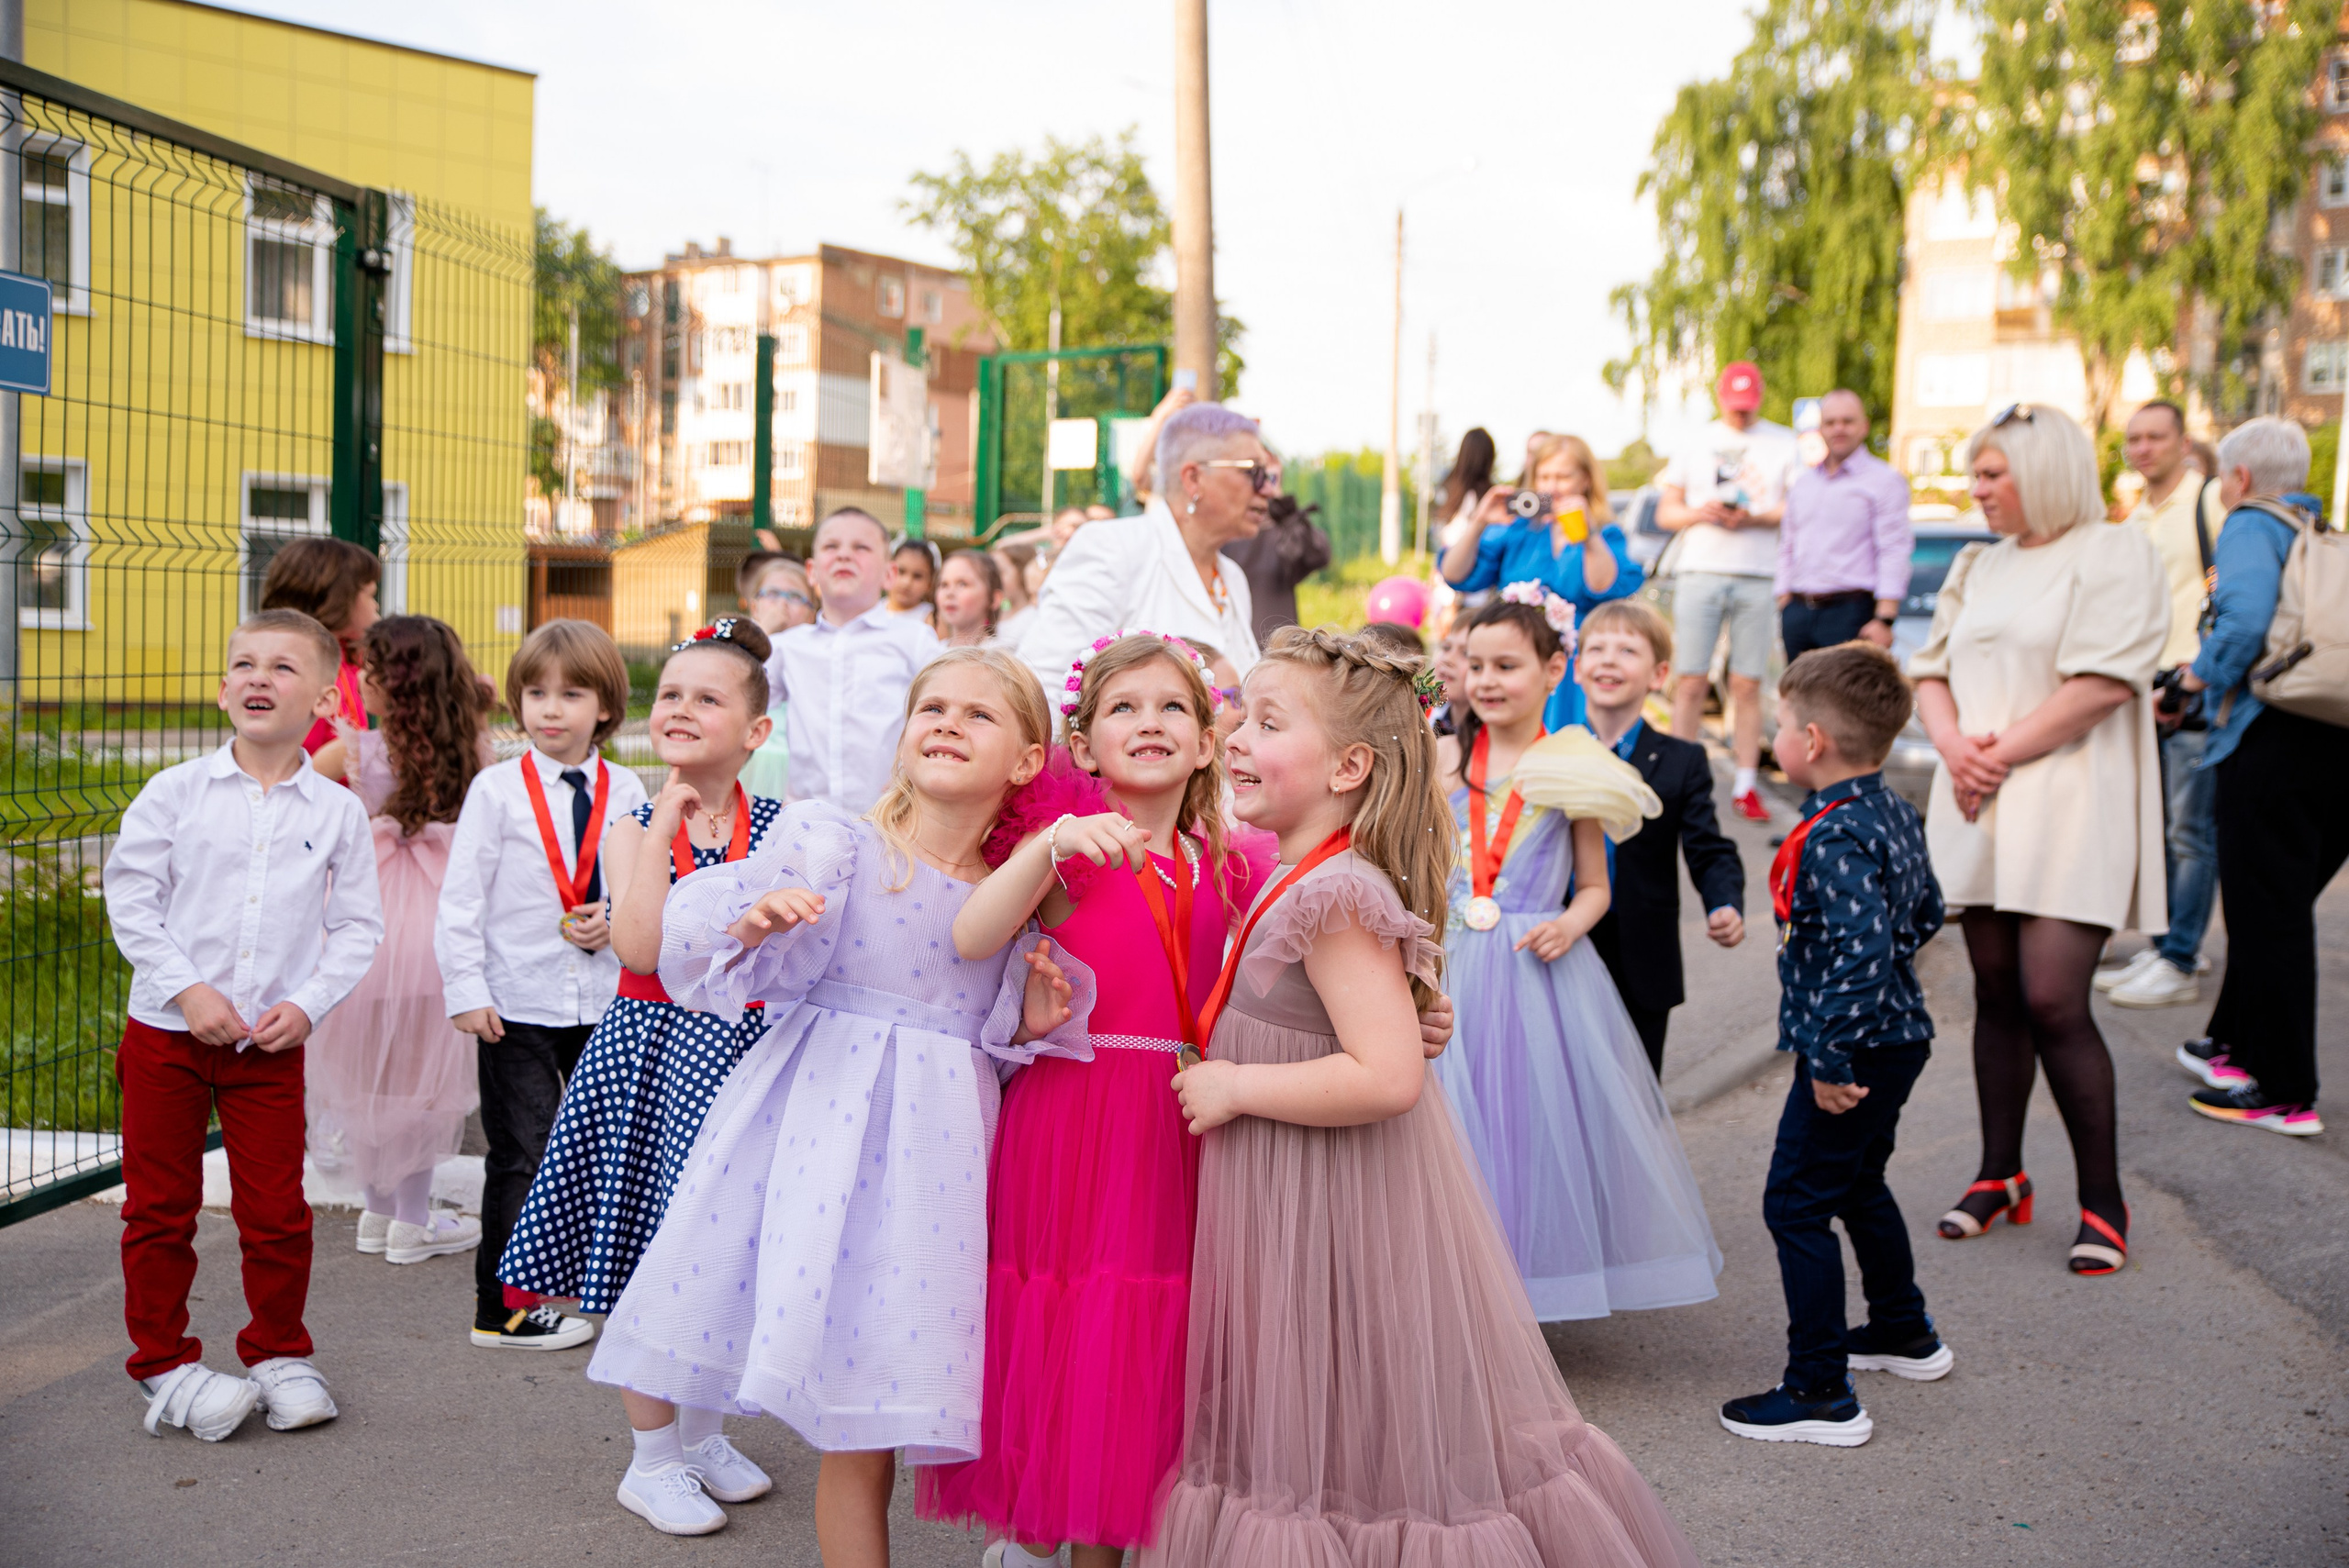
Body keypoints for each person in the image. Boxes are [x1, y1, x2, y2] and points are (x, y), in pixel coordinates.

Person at [1148, 627, 1699, 1568]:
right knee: (1323, 1397)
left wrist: (1236, 1080)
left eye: (1267, 721)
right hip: (1292, 1182)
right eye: (1240, 712)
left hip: (1326, 1186)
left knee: (1348, 1415)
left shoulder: (1336, 896)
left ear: (1350, 765)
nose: (1234, 734)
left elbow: (1387, 1075)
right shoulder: (1290, 866)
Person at [584, 651, 1090, 1561]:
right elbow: (700, 953)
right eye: (929, 705)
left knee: (881, 1398)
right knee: (848, 1434)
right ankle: (669, 1450)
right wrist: (755, 919)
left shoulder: (1018, 893)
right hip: (818, 1137)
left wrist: (1032, 1022)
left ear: (1025, 759)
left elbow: (994, 1044)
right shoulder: (840, 842)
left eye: (977, 714)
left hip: (936, 1169)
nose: (945, 721)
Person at [918, 633, 1276, 1567]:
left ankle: (1116, 1534)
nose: (1147, 721)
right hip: (1074, 1116)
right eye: (1122, 707)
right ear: (1080, 745)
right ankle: (1049, 1526)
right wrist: (1048, 842)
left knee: (1147, 1330)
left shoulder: (1231, 865)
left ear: (1207, 741)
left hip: (1181, 1115)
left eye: (1170, 707)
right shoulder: (1065, 855)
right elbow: (969, 934)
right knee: (1074, 1319)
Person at [497, 618, 786, 1535]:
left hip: (745, 1063)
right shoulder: (631, 825)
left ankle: (700, 1433)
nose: (682, 708)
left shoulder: (780, 825)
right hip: (654, 1062)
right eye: (670, 694)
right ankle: (651, 1457)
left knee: (723, 1255)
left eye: (710, 697)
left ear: (755, 732)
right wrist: (661, 827)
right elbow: (640, 947)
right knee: (655, 1256)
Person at [101, 608, 384, 1440]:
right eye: (245, 664)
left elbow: (359, 926)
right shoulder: (175, 792)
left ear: (327, 698)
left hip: (268, 1044)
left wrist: (308, 1003)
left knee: (277, 1210)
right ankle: (162, 1361)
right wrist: (187, 990)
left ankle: (276, 1350)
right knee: (162, 1206)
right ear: (223, 688)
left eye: (284, 667)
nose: (260, 677)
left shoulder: (335, 813)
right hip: (166, 1036)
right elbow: (132, 899)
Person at [1910, 404, 2167, 1276]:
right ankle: (2000, 1173)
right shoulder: (1979, 562)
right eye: (1975, 475)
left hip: (2067, 798)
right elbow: (1932, 668)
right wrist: (1952, 748)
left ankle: (2105, 1200)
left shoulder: (2112, 550)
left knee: (2055, 998)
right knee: (1995, 991)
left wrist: (1993, 756)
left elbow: (2104, 681)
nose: (1976, 489)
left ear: (2044, 471)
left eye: (1991, 474)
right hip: (1982, 793)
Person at [1431, 596, 1720, 1319]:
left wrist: (1569, 924)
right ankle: (1451, 1285)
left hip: (1535, 976)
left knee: (1524, 1129)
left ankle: (1520, 1292)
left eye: (1507, 665)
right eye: (1475, 665)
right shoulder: (1443, 758)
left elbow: (1594, 885)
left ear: (1553, 669)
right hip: (1453, 969)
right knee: (1449, 1130)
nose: (1488, 680)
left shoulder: (1573, 764)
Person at [1719, 643, 1950, 1448]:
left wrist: (1831, 1058)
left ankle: (1819, 1387)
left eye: (1781, 723)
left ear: (1810, 741)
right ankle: (1902, 1329)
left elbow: (1861, 951)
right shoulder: (1889, 809)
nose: (1777, 735)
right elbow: (1924, 915)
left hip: (1856, 1049)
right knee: (1858, 1181)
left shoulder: (1835, 835)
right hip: (1900, 1034)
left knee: (1796, 1202)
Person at [436, 618, 649, 1349]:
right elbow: (461, 896)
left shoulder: (628, 787)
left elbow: (652, 881)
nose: (550, 709)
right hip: (517, 1002)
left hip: (606, 1000)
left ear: (606, 707)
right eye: (535, 693)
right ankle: (501, 1308)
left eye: (572, 693)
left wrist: (612, 916)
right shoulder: (496, 791)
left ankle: (606, 1286)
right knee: (520, 1150)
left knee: (605, 1146)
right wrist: (466, 989)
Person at [2173, 417, 2347, 1138]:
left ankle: (2283, 1091)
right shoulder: (2323, 532)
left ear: (2238, 479)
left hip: (2271, 738)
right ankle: (2233, 1043)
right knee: (2272, 907)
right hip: (2335, 738)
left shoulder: (2249, 524)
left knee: (2267, 916)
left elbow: (2241, 622)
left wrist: (2193, 678)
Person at [306, 616, 491, 1266]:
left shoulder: (351, 752)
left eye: (370, 670)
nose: (359, 679)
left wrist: (331, 725)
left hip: (365, 926)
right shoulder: (472, 754)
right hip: (436, 926)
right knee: (418, 1079)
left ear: (397, 682)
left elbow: (297, 789)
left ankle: (376, 1210)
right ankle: (411, 1220)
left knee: (368, 1075)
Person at [1576, 599, 1746, 1073]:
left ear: (1659, 674)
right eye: (1597, 649)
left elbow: (1709, 849)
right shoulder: (1551, 751)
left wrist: (1724, 902)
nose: (1609, 660)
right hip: (1564, 946)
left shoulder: (1682, 760)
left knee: (1634, 1091)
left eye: (1628, 651)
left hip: (1642, 960)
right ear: (1576, 667)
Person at [1019, 402, 1271, 701]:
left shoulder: (1232, 579)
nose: (1267, 488)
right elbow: (1041, 690)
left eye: (1268, 475)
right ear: (1193, 478)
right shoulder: (1112, 549)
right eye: (1254, 472)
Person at [2096, 400, 2217, 1009]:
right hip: (2146, 690)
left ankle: (2181, 958)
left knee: (2190, 830)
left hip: (2194, 686)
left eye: (2155, 437)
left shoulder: (2208, 499)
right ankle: (2165, 944)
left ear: (2181, 441)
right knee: (2159, 829)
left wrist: (2197, 673)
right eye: (2133, 439)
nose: (2143, 448)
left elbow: (2238, 592)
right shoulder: (2139, 513)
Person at [1656, 361, 1804, 823]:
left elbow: (1796, 507)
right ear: (1721, 398)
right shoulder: (1696, 440)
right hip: (1702, 568)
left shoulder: (1784, 442)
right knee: (1691, 680)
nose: (1741, 415)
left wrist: (1754, 517)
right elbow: (1666, 512)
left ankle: (1745, 784)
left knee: (1747, 683)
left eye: (1749, 406)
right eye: (1734, 406)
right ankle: (1678, 780)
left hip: (1757, 574)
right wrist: (1702, 512)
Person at [1439, 432, 1642, 731]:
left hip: (1576, 670)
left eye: (1562, 477)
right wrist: (1479, 521)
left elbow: (1603, 586)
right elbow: (1455, 574)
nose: (1551, 486)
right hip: (1518, 663)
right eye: (1544, 476)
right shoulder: (1519, 529)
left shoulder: (1604, 532)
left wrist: (1587, 535)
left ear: (1585, 480)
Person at [765, 507, 940, 813]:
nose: (844, 555)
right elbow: (738, 705)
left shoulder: (915, 640)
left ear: (889, 574)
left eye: (861, 547)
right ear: (812, 571)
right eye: (831, 547)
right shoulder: (785, 649)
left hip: (893, 822)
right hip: (806, 823)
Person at [1773, 389, 1910, 660]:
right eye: (1830, 422)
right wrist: (1783, 599)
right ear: (1820, 429)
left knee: (1843, 700)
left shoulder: (1884, 481)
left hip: (1850, 613)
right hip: (1798, 611)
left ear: (1864, 427)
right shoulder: (1804, 483)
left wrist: (1885, 618)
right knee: (1798, 699)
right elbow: (1788, 543)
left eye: (1847, 421)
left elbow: (1894, 548)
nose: (1839, 429)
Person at [258, 536, 380, 754]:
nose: (376, 605)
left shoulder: (343, 655)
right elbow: (295, 767)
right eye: (371, 595)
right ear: (340, 600)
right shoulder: (297, 673)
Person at [737, 554, 816, 801]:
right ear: (754, 606)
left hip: (799, 768)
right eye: (772, 594)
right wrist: (763, 632)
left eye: (795, 597)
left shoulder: (815, 650)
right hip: (749, 759)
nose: (782, 604)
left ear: (812, 613)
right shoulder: (734, 639)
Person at [1220, 490, 1330, 646]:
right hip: (1232, 644)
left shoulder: (1284, 532)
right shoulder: (1224, 529)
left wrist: (1288, 516)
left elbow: (1317, 555)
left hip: (1277, 646)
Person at [935, 547, 1005, 649]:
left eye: (962, 584)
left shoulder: (998, 657)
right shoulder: (931, 652)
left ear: (994, 599)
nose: (949, 593)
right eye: (944, 584)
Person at [990, 538, 1040, 651]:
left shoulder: (1032, 616)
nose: (994, 580)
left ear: (1022, 571)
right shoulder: (997, 613)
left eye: (1000, 572)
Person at [885, 535, 940, 622]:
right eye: (901, 571)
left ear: (929, 584)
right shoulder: (871, 610)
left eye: (917, 576)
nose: (907, 582)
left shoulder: (931, 618)